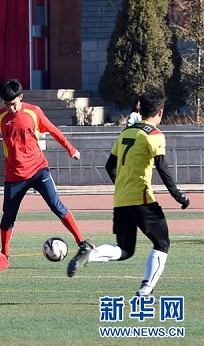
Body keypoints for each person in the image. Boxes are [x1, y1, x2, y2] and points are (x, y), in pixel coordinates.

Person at [67, 88, 190, 298]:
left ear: (141, 110)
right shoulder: (155, 135)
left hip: (121, 200)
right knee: (162, 242)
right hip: (142, 199)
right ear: (160, 112)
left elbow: (109, 166)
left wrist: (122, 184)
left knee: (125, 250)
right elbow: (163, 167)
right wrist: (178, 195)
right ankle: (145, 290)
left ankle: (91, 252)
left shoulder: (127, 132)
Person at [0, 79, 92, 259]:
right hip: (14, 176)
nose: (10, 108)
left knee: (57, 206)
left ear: (21, 97)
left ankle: (82, 242)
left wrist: (71, 149)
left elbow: (53, 130)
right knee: (8, 218)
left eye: (13, 104)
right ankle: (5, 253)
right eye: (6, 104)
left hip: (38, 170)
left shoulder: (33, 112)